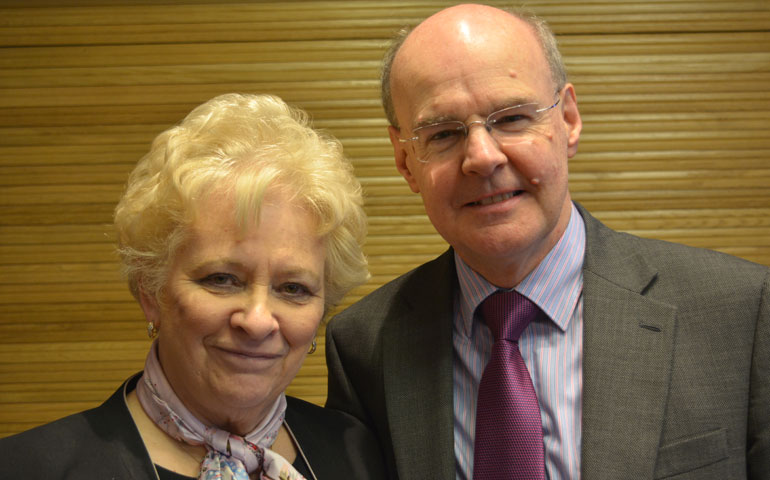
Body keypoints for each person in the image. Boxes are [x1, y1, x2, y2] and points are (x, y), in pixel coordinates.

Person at [324, 4, 769, 480]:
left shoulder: (740, 314)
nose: (482, 157)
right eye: (444, 133)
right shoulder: (364, 347)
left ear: (569, 120)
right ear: (404, 160)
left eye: (512, 118)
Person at [0, 93, 385, 480]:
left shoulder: (363, 458)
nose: (257, 321)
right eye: (222, 279)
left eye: (293, 288)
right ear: (150, 291)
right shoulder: (24, 468)